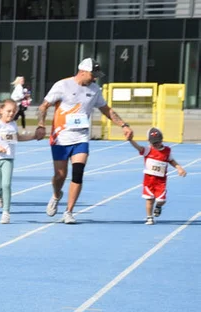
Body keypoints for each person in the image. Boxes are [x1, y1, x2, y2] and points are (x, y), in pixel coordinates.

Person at [36, 58, 132, 224]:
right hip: (60, 137)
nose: (95, 78)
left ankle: (69, 211)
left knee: (78, 172)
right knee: (60, 176)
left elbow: (106, 110)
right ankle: (56, 194)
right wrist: (41, 125)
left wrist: (123, 125)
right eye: (92, 75)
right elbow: (43, 106)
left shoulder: (95, 90)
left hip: (81, 137)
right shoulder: (62, 85)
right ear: (82, 72)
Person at [0, 100, 45, 224]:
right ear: (1, 111)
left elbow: (18, 137)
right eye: (8, 111)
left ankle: (6, 212)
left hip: (8, 159)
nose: (11, 114)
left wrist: (33, 136)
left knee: (6, 185)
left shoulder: (13, 125)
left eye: (13, 111)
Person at [126, 127, 186, 225]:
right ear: (149, 142)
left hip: (160, 181)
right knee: (149, 200)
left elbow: (171, 160)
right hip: (149, 181)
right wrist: (130, 140)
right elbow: (138, 147)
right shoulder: (147, 150)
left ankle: (158, 206)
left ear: (162, 140)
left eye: (158, 142)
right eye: (154, 143)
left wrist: (179, 168)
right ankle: (149, 217)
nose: (157, 144)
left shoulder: (167, 151)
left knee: (161, 200)